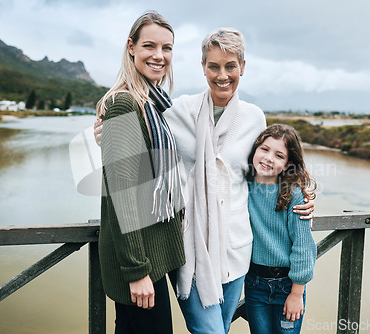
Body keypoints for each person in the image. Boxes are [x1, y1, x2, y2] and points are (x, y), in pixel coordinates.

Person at [94, 27, 315, 334]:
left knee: (220, 329)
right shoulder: (178, 111)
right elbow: (140, 142)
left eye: (230, 66)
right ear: (203, 68)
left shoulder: (254, 118)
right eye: (214, 66)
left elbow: (264, 174)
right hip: (191, 249)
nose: (222, 75)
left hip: (237, 251)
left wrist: (300, 196)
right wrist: (104, 134)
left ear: (242, 67)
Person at [96, 11, 185, 334]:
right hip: (140, 263)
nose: (159, 56)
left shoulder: (155, 104)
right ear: (131, 47)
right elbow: (122, 196)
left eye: (167, 48)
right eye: (150, 45)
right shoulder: (125, 104)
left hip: (153, 256)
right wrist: (136, 271)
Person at [244, 124, 317, 334]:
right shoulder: (243, 188)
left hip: (288, 285)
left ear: (287, 165)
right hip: (254, 283)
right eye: (264, 149)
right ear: (255, 150)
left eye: (279, 155)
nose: (268, 158)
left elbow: (303, 247)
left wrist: (297, 292)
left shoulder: (294, 196)